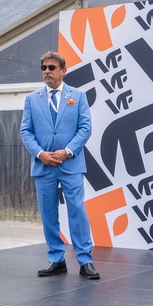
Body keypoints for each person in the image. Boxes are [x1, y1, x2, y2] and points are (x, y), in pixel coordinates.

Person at [20, 51, 99, 279]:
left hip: (71, 164)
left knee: (77, 212)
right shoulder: (32, 99)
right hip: (43, 166)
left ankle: (85, 261)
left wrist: (67, 151)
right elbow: (26, 131)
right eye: (44, 68)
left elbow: (85, 128)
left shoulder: (78, 96)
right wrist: (40, 154)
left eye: (52, 67)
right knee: (48, 214)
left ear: (63, 71)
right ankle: (56, 259)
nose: (47, 71)